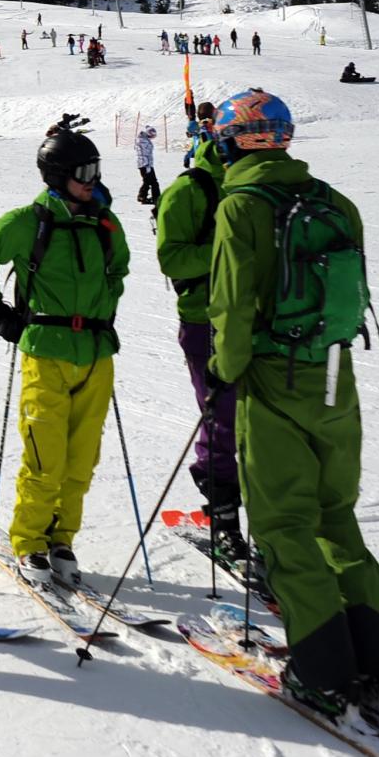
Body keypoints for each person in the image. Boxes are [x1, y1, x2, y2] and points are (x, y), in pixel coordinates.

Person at [202, 87, 379, 713]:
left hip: (274, 376)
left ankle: (323, 669)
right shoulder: (335, 200)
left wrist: (223, 373)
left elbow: (230, 303)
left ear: (232, 141)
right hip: (336, 373)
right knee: (336, 515)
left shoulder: (242, 205)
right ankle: (370, 659)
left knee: (285, 524)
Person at [0, 124, 129, 587]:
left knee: (82, 460)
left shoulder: (104, 223)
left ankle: (63, 539)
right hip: (46, 353)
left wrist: (100, 306)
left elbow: (119, 266)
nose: (92, 179)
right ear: (57, 175)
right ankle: (30, 541)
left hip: (97, 354)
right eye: (84, 171)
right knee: (45, 457)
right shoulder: (26, 222)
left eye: (97, 169)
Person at [150, 133, 240, 560]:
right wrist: (231, 252)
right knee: (221, 421)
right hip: (206, 321)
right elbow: (172, 258)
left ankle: (279, 526)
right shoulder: (189, 190)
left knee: (266, 427)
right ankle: (225, 521)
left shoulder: (254, 186)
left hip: (261, 323)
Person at [133, 123, 160, 206]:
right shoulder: (142, 141)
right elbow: (144, 154)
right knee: (151, 181)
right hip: (145, 165)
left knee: (148, 181)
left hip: (147, 164)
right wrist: (147, 166)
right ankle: (155, 198)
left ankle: (143, 196)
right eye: (152, 135)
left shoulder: (144, 139)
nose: (152, 138)